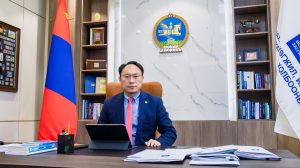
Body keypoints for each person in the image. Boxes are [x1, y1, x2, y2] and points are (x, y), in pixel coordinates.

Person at [98, 61, 177, 147]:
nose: (131, 81)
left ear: (142, 79)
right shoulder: (109, 103)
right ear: (120, 79)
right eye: (127, 76)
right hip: (117, 153)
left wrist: (159, 142)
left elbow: (170, 132)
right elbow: (99, 132)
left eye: (135, 76)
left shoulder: (155, 102)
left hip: (144, 151)